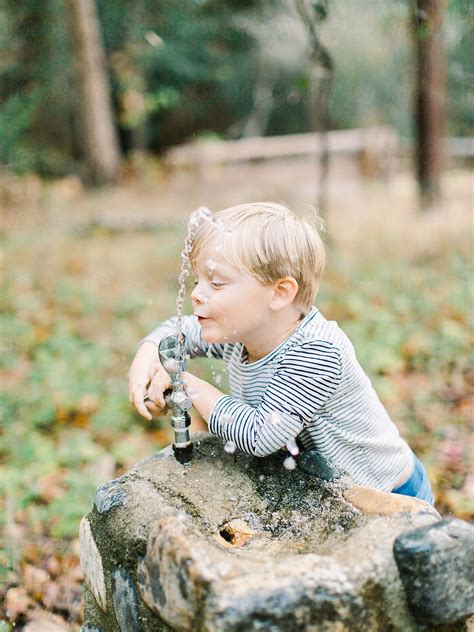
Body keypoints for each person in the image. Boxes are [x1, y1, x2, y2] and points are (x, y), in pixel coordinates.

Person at [128, 202, 434, 505]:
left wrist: (187, 385)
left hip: (390, 496)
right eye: (198, 281)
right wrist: (148, 355)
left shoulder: (316, 352)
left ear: (279, 293)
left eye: (217, 283)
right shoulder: (241, 333)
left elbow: (261, 435)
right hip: (327, 490)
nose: (196, 293)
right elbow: (175, 330)